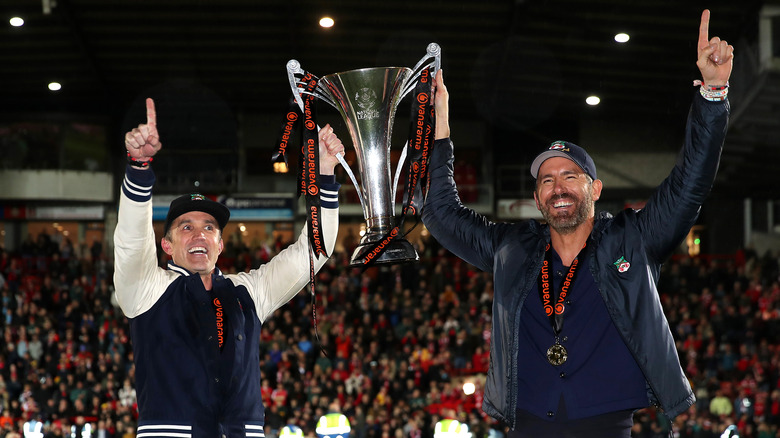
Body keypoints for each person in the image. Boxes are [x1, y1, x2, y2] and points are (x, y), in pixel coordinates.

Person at [423, 10, 732, 438]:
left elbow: (690, 184)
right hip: (528, 423)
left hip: (607, 424)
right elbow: (441, 213)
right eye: (547, 180)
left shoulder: (633, 239)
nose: (558, 186)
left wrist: (713, 94)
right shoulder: (511, 248)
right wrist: (439, 127)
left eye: (571, 175)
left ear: (596, 188)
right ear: (537, 198)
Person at [114, 98, 345, 438]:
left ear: (220, 244)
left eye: (209, 228)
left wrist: (324, 174)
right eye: (186, 227)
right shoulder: (147, 289)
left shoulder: (248, 291)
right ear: (167, 246)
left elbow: (313, 251)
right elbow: (132, 242)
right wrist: (139, 167)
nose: (200, 235)